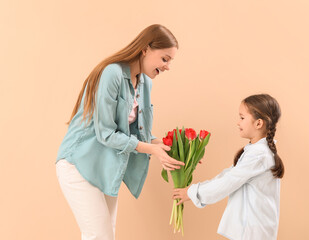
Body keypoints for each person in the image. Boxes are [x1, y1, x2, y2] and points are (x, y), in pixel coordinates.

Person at [56, 24, 184, 240]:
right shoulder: (112, 73)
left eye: (170, 61)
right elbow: (106, 134)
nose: (168, 66)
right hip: (78, 164)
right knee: (99, 235)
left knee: (105, 235)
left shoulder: (145, 84)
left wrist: (172, 149)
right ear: (145, 49)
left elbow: (139, 136)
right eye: (165, 59)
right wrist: (152, 149)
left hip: (106, 166)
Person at [173, 94, 285, 240]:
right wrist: (194, 190)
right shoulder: (255, 151)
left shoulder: (259, 155)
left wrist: (193, 192)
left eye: (242, 118)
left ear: (258, 123)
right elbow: (228, 175)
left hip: (253, 232)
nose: (238, 123)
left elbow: (227, 183)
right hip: (252, 230)